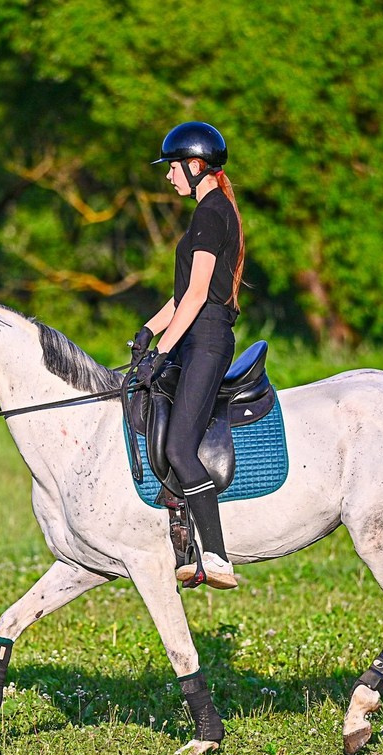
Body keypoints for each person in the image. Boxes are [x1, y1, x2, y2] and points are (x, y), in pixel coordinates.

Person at [131, 121, 246, 591]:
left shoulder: (211, 213)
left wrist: (161, 352)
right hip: (194, 333)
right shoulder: (211, 210)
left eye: (172, 167)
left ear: (195, 166)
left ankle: (215, 556)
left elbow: (199, 295)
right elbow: (181, 298)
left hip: (207, 340)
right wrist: (148, 330)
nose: (168, 176)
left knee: (179, 447)